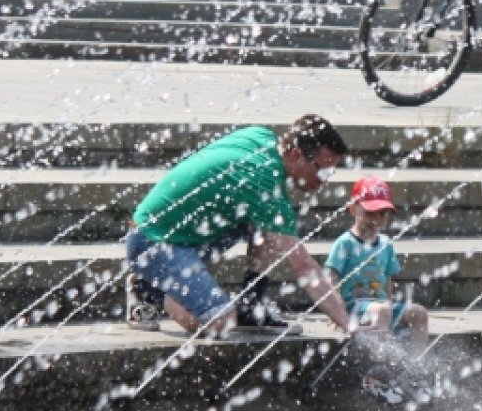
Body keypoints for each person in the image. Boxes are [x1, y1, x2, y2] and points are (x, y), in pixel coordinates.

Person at [124, 114, 353, 337]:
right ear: (296, 154)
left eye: (331, 172)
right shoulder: (263, 183)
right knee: (221, 322)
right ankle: (147, 289)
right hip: (152, 242)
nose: (325, 179)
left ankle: (250, 307)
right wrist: (348, 324)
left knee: (268, 229)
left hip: (179, 231)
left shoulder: (262, 137)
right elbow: (304, 267)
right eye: (322, 170)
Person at [324, 176, 429, 355]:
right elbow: (331, 279)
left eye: (382, 214)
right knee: (382, 311)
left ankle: (416, 363)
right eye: (370, 213)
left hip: (380, 308)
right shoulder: (345, 243)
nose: (376, 219)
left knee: (419, 313)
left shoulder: (385, 244)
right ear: (352, 209)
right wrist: (337, 312)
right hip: (353, 307)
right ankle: (381, 358)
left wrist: (388, 303)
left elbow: (388, 280)